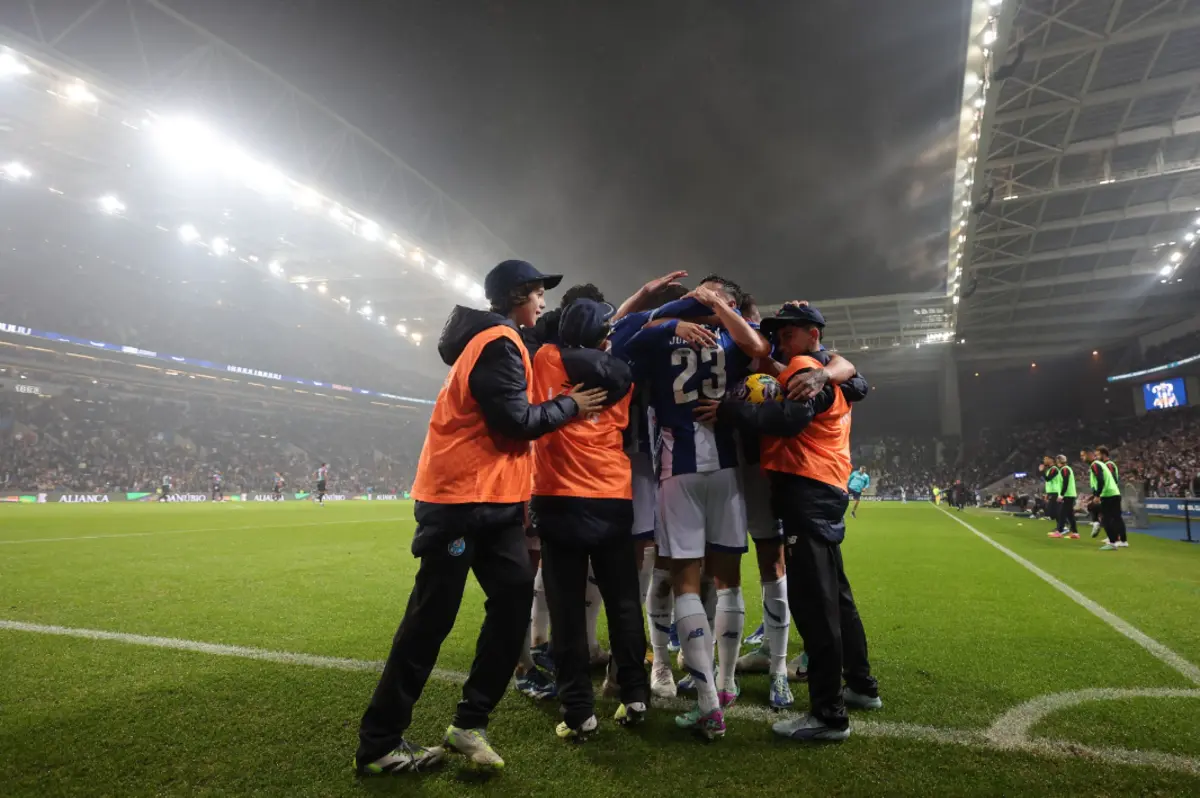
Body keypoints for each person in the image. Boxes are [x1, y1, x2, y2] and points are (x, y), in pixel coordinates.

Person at [355, 259, 608, 776]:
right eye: (538, 292)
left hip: (490, 505)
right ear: (519, 294)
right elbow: (516, 422)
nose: (543, 302)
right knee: (430, 620)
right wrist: (570, 406)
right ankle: (379, 742)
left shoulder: (502, 339)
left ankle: (470, 722)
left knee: (514, 600)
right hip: (459, 504)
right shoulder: (497, 342)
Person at [707, 303, 879, 742]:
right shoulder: (822, 369)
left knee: (815, 605)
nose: (781, 340)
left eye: (789, 333)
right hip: (826, 488)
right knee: (838, 596)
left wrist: (728, 410)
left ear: (812, 335)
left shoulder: (806, 367)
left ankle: (828, 714)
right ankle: (860, 685)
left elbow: (788, 419)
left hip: (808, 489)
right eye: (777, 334)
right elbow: (858, 382)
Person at [618, 276, 771, 740]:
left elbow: (619, 330)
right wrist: (712, 309)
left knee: (689, 581)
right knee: (724, 583)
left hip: (678, 472)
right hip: (722, 473)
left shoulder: (666, 336)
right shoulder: (729, 337)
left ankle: (711, 702)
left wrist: (665, 314)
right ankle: (720, 688)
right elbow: (758, 345)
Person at [530, 298, 649, 740]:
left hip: (560, 496)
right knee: (623, 601)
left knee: (566, 609)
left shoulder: (546, 359)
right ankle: (635, 695)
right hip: (613, 495)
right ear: (604, 336)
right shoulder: (621, 373)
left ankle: (579, 713)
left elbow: (551, 346)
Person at [1087, 446, 1128, 551]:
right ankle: (1117, 539)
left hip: (1109, 494)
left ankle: (1117, 539)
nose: (1096, 456)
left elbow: (1111, 479)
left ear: (1103, 454)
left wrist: (1099, 494)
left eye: (1097, 454)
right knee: (1113, 517)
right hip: (1110, 493)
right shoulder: (1104, 464)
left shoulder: (1108, 465)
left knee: (1110, 517)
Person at [1048, 455, 1079, 539]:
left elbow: (1065, 482)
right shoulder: (1066, 469)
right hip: (1070, 494)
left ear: (1058, 461)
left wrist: (1061, 494)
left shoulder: (1064, 469)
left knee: (1062, 513)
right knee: (1069, 514)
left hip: (1067, 495)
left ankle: (1059, 531)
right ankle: (1075, 533)